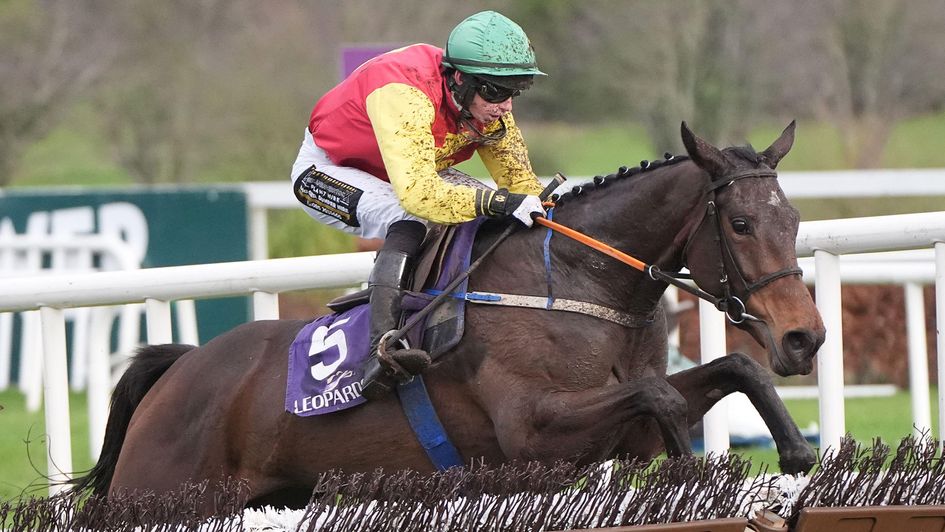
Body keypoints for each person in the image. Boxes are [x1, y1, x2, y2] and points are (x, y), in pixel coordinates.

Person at [291, 10, 547, 399]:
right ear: (459, 79)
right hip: (327, 171)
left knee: (492, 209)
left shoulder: (488, 110)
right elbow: (418, 193)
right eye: (495, 92)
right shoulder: (404, 92)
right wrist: (499, 202)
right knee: (414, 213)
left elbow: (523, 188)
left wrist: (539, 206)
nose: (506, 106)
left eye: (514, 91)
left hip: (410, 170)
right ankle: (382, 350)